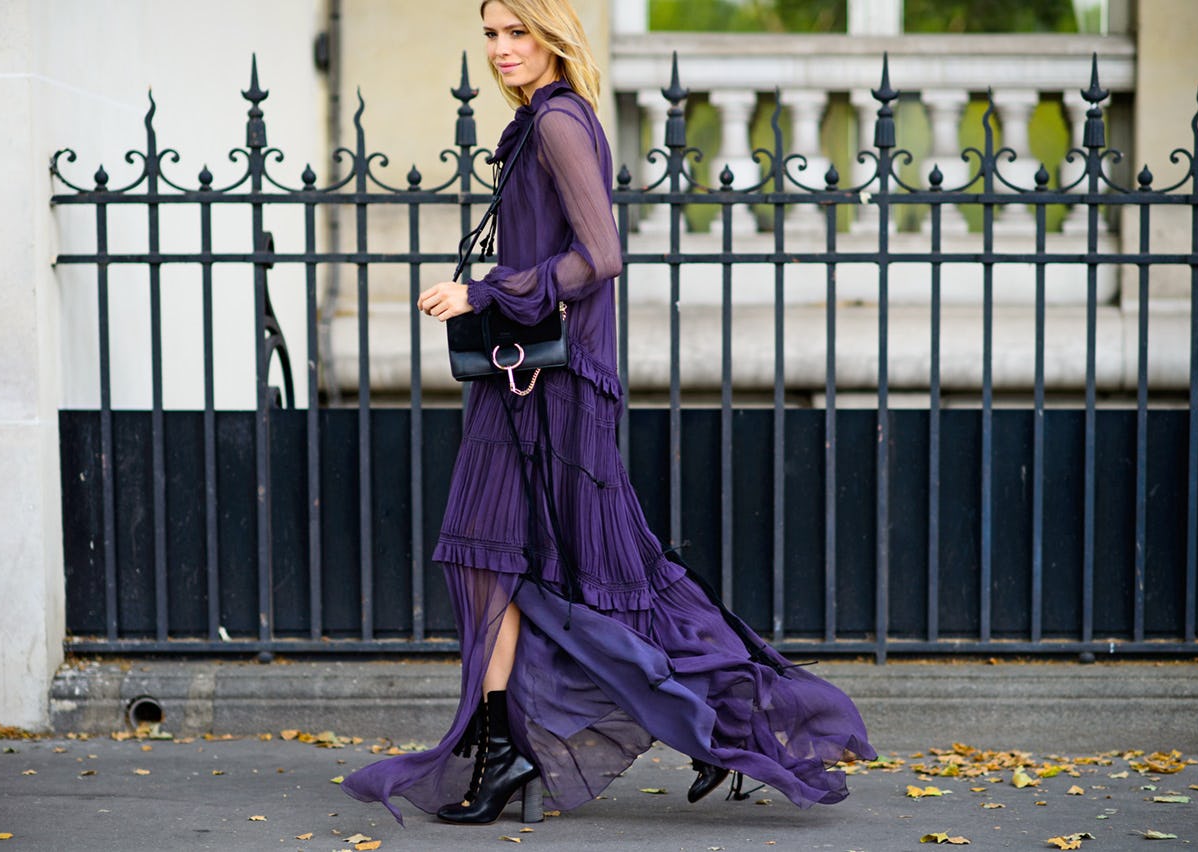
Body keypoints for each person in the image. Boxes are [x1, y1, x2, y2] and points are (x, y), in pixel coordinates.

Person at [340, 0, 875, 827]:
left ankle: (734, 723)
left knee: (589, 574)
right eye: (491, 33)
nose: (501, 48)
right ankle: (520, 744)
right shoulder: (541, 122)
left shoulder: (557, 122)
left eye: (518, 31)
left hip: (551, 386)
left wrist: (482, 292)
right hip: (523, 381)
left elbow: (601, 257)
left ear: (554, 36)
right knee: (512, 566)